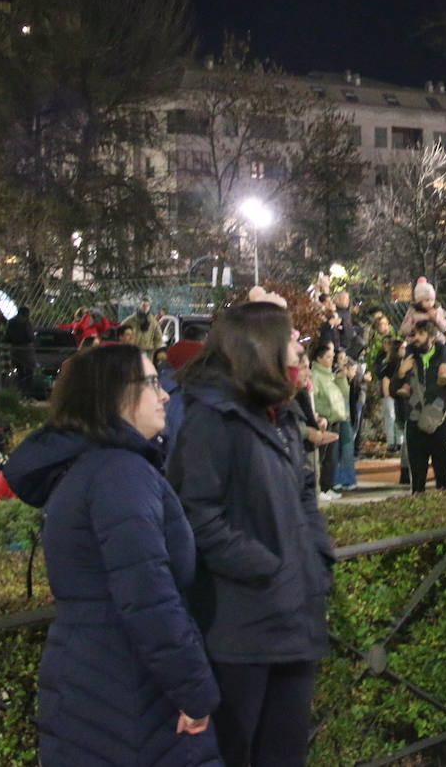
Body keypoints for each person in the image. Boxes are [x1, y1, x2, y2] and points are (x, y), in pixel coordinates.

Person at [3, 344, 221, 765]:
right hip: (128, 689)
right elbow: (149, 596)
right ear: (112, 394)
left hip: (104, 681)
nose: (165, 395)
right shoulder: (119, 473)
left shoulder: (99, 467)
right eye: (153, 382)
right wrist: (195, 692)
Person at [169, 302, 334, 767]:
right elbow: (196, 515)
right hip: (240, 629)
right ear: (261, 348)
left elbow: (303, 492)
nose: (300, 350)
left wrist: (315, 555)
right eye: (292, 340)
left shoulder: (278, 416)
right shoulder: (212, 418)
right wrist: (268, 567)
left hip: (292, 619)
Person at [393, 319, 446, 492]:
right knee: (417, 482)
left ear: (432, 337)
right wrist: (401, 372)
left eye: (421, 334)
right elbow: (392, 390)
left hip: (440, 424)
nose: (416, 338)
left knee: (443, 481)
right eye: (414, 334)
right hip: (414, 424)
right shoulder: (409, 357)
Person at [308, 340, 349, 500]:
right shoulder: (316, 375)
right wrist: (324, 414)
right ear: (319, 358)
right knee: (323, 457)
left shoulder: (330, 375)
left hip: (335, 419)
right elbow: (315, 400)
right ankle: (321, 488)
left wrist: (341, 378)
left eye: (332, 356)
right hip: (326, 421)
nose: (331, 359)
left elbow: (343, 392)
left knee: (332, 458)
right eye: (328, 357)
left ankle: (328, 486)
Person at [6, 304, 37, 393]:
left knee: (20, 373)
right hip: (26, 351)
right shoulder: (26, 322)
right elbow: (30, 337)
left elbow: (7, 337)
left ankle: (19, 392)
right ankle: (27, 394)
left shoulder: (11, 322)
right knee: (29, 373)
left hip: (14, 350)